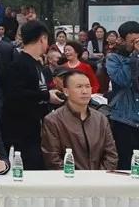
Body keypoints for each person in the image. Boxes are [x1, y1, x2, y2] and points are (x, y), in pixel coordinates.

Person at [0, 20, 62, 170]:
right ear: (43, 39)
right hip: (19, 134)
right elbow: (15, 95)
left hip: (35, 129)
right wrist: (46, 96)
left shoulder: (38, 64)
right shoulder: (18, 64)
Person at [41, 70, 118, 170]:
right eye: (79, 87)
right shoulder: (53, 120)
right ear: (66, 91)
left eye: (87, 86)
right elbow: (52, 159)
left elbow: (111, 155)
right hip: (69, 181)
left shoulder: (100, 119)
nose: (85, 91)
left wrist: (98, 178)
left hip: (99, 181)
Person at [106, 20, 139, 169]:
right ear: (122, 40)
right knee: (126, 164)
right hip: (124, 119)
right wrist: (133, 57)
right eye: (132, 41)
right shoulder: (114, 59)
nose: (135, 44)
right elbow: (123, 80)